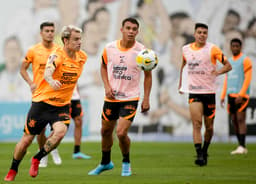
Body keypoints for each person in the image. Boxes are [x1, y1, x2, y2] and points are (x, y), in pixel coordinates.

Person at [4, 24, 87, 181]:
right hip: (42, 103)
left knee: (60, 132)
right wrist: (50, 80)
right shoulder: (56, 55)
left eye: (80, 39)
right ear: (66, 40)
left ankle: (37, 158)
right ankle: (13, 168)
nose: (79, 42)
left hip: (62, 105)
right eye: (76, 39)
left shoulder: (82, 57)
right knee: (26, 140)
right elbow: (48, 71)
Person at [88, 17, 152, 176]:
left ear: (137, 31)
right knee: (105, 132)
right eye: (128, 28)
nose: (131, 31)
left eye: (134, 29)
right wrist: (107, 86)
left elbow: (148, 76)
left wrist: (146, 99)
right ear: (122, 29)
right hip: (111, 98)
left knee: (121, 133)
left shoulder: (143, 52)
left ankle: (126, 163)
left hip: (130, 98)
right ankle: (105, 163)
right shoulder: (109, 48)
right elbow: (103, 67)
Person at [178, 23, 232, 166]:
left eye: (204, 32)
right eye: (199, 32)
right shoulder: (186, 49)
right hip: (194, 91)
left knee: (209, 127)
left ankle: (205, 149)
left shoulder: (213, 49)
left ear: (207, 35)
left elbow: (228, 65)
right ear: (195, 34)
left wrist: (218, 72)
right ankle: (199, 154)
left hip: (209, 92)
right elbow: (183, 65)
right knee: (197, 124)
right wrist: (181, 84)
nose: (202, 35)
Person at [18, 22, 62, 168]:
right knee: (40, 130)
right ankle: (43, 154)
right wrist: (31, 82)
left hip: (56, 96)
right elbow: (23, 69)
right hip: (40, 96)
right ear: (41, 33)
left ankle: (53, 149)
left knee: (58, 129)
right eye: (47, 31)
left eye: (52, 31)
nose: (50, 33)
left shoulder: (59, 50)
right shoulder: (33, 50)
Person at [220, 38, 252, 155]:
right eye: (233, 46)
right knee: (234, 120)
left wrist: (242, 94)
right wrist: (223, 95)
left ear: (240, 47)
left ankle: (242, 146)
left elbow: (248, 78)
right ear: (230, 47)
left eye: (237, 46)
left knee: (240, 119)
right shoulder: (229, 62)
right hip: (230, 95)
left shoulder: (245, 60)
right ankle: (240, 146)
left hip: (241, 96)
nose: (235, 48)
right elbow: (227, 79)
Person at [71, 85, 91, 159]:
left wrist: (78, 94)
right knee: (60, 126)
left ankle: (77, 152)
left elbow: (75, 80)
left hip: (75, 98)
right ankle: (47, 148)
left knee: (79, 122)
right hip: (63, 97)